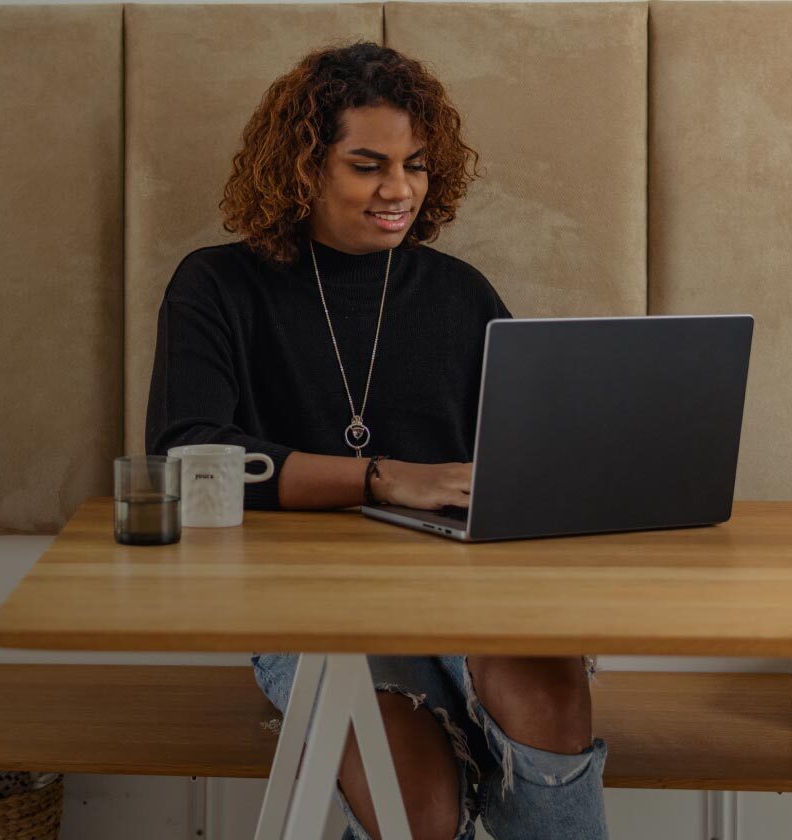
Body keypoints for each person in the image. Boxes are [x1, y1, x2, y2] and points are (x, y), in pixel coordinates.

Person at [146, 41, 607, 840]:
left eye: (417, 165)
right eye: (367, 165)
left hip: (466, 586)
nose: (399, 190)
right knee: (415, 799)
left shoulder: (460, 294)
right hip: (301, 603)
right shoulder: (216, 285)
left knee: (549, 691)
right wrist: (382, 477)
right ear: (301, 168)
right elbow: (187, 456)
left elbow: (527, 454)